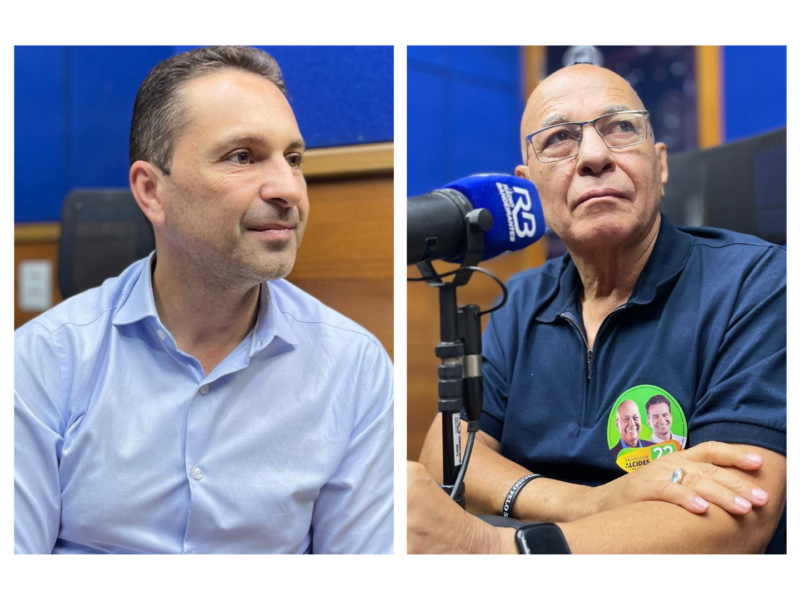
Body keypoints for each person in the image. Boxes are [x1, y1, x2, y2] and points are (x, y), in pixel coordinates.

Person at [15, 46, 393, 554]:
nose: (289, 188)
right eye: (243, 156)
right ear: (151, 191)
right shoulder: (42, 361)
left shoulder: (355, 366)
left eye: (294, 158)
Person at [409, 63, 785, 554]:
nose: (593, 155)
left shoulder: (759, 283)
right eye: (559, 138)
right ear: (529, 187)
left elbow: (736, 514)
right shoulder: (519, 300)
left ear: (661, 164)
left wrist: (498, 550)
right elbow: (448, 458)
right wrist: (586, 502)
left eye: (620, 127)